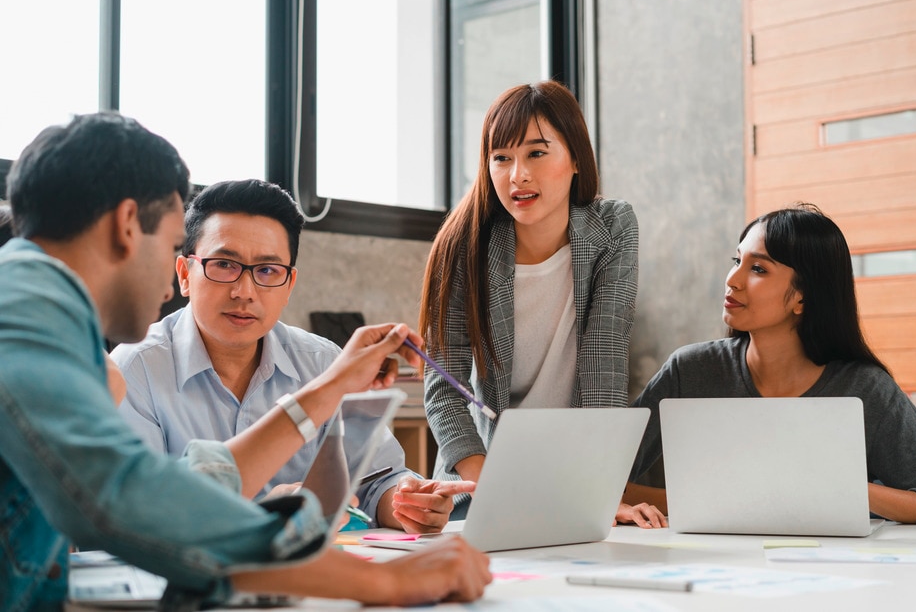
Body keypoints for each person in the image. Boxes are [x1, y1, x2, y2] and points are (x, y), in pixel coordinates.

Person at [0, 113, 490, 611]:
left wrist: (330, 390)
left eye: (267, 271)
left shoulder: (35, 308)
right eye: (174, 247)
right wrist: (383, 584)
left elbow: (181, 489)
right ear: (129, 225)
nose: (170, 289)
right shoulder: (23, 311)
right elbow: (128, 499)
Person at [113, 179, 473, 533]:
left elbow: (377, 481)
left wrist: (409, 503)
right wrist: (266, 512)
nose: (245, 291)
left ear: (289, 285)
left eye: (268, 271)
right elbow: (139, 516)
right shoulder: (136, 369)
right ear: (185, 274)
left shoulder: (322, 361)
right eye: (224, 264)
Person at [624, 204, 916, 524]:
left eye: (758, 269)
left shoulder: (865, 389)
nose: (732, 281)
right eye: (737, 261)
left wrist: (844, 491)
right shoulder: (690, 371)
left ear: (802, 297)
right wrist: (709, 505)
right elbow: (603, 482)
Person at [418, 80, 659, 527]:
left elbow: (605, 360)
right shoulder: (463, 244)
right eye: (501, 158)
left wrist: (599, 494)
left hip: (573, 480)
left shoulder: (613, 228)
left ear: (574, 159)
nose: (518, 175)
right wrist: (500, 492)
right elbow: (444, 389)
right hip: (483, 480)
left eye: (536, 153)